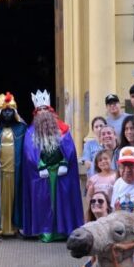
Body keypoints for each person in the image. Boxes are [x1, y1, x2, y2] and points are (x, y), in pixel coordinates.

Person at [21, 89, 84, 242]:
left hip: (61, 172)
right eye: (39, 110)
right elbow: (29, 153)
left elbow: (69, 149)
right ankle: (46, 231)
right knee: (44, 202)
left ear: (50, 112)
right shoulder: (30, 132)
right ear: (36, 113)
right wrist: (40, 166)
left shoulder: (62, 129)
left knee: (62, 202)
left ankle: (63, 231)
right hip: (42, 174)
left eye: (45, 109)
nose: (42, 113)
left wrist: (64, 163)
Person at [0, 92, 27, 238]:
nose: (7, 113)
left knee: (15, 198)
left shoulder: (22, 129)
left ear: (15, 112)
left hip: (16, 170)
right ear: (0, 112)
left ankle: (15, 227)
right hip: (0, 171)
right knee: (0, 198)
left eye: (10, 110)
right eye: (4, 111)